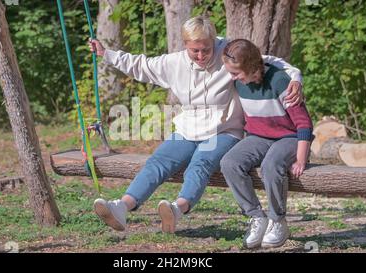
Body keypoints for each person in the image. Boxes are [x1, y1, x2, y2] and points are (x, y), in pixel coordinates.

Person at [86, 16, 304, 234]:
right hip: (188, 129)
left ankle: (177, 209)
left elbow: (266, 61)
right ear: (185, 45)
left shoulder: (227, 53)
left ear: (215, 43)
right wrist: (107, 54)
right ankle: (122, 207)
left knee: (200, 162)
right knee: (158, 161)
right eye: (194, 51)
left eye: (206, 50)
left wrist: (295, 77)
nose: (200, 56)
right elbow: (140, 65)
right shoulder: (174, 63)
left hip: (224, 131)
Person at [220, 39, 313, 248]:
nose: (232, 78)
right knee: (229, 163)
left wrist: (300, 158)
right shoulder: (239, 82)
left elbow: (304, 123)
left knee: (271, 166)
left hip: (290, 138)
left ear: (253, 68)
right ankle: (256, 217)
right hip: (258, 137)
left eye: (236, 73)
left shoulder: (280, 81)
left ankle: (278, 220)